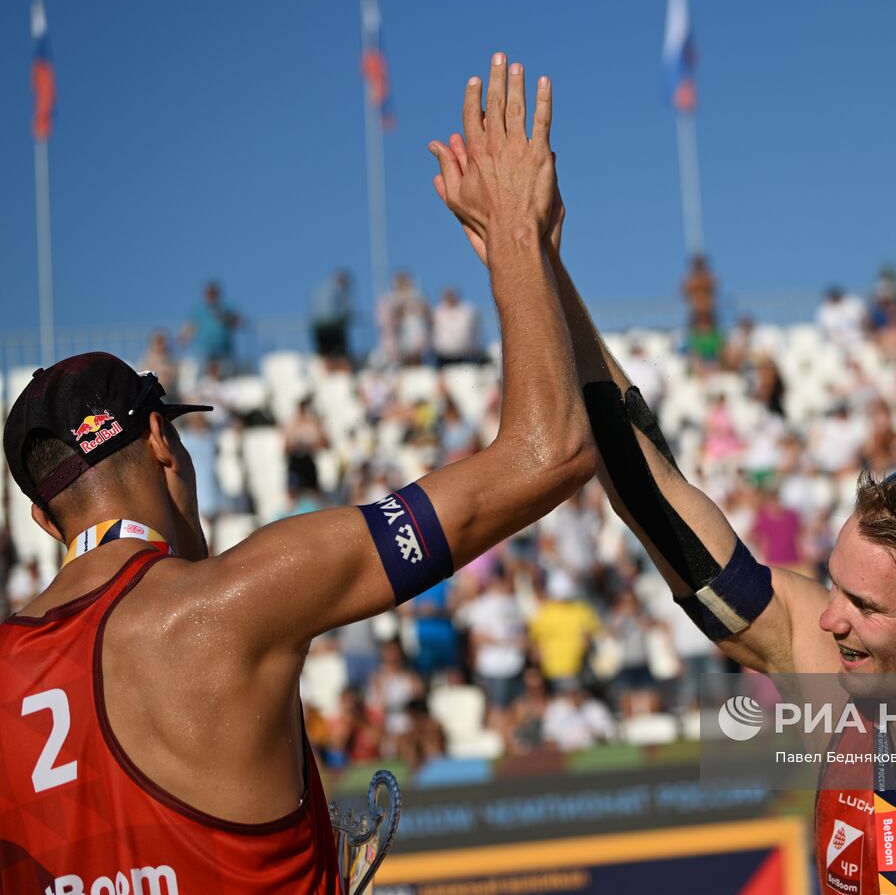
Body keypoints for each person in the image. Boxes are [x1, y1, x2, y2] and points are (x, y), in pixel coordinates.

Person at [429, 139, 896, 894]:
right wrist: (537, 264)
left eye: (864, 604)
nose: (828, 620)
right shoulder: (837, 683)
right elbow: (651, 493)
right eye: (835, 588)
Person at [0, 53, 593, 889]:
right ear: (165, 445)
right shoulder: (238, 601)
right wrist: (516, 240)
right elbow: (552, 450)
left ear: (41, 520)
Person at [181, 281, 241, 376]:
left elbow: (238, 322)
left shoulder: (226, 308)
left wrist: (227, 317)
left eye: (214, 293)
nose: (212, 296)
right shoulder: (198, 310)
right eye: (209, 293)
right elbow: (190, 327)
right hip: (205, 352)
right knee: (204, 379)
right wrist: (184, 338)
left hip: (224, 352)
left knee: (227, 377)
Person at [310, 268, 354, 368]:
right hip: (333, 327)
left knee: (325, 354)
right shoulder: (339, 291)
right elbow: (345, 312)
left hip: (318, 328)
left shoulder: (319, 290)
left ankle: (329, 372)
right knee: (341, 354)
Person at [432, 286, 484, 366]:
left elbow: (477, 327)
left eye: (451, 295)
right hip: (443, 356)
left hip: (466, 354)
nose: (449, 298)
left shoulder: (467, 309)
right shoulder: (438, 311)